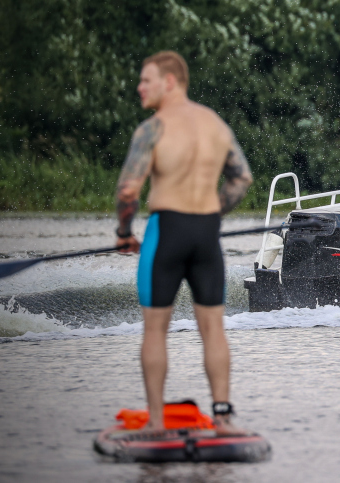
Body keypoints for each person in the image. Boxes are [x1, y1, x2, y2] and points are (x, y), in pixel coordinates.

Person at [114, 51, 253, 433]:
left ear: (169, 81)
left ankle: (156, 422)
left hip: (167, 231)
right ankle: (222, 417)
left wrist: (124, 233)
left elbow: (129, 190)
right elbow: (242, 179)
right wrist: (212, 213)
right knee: (213, 328)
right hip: (206, 233)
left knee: (155, 329)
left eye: (146, 80)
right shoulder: (216, 125)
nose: (140, 87)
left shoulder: (152, 128)